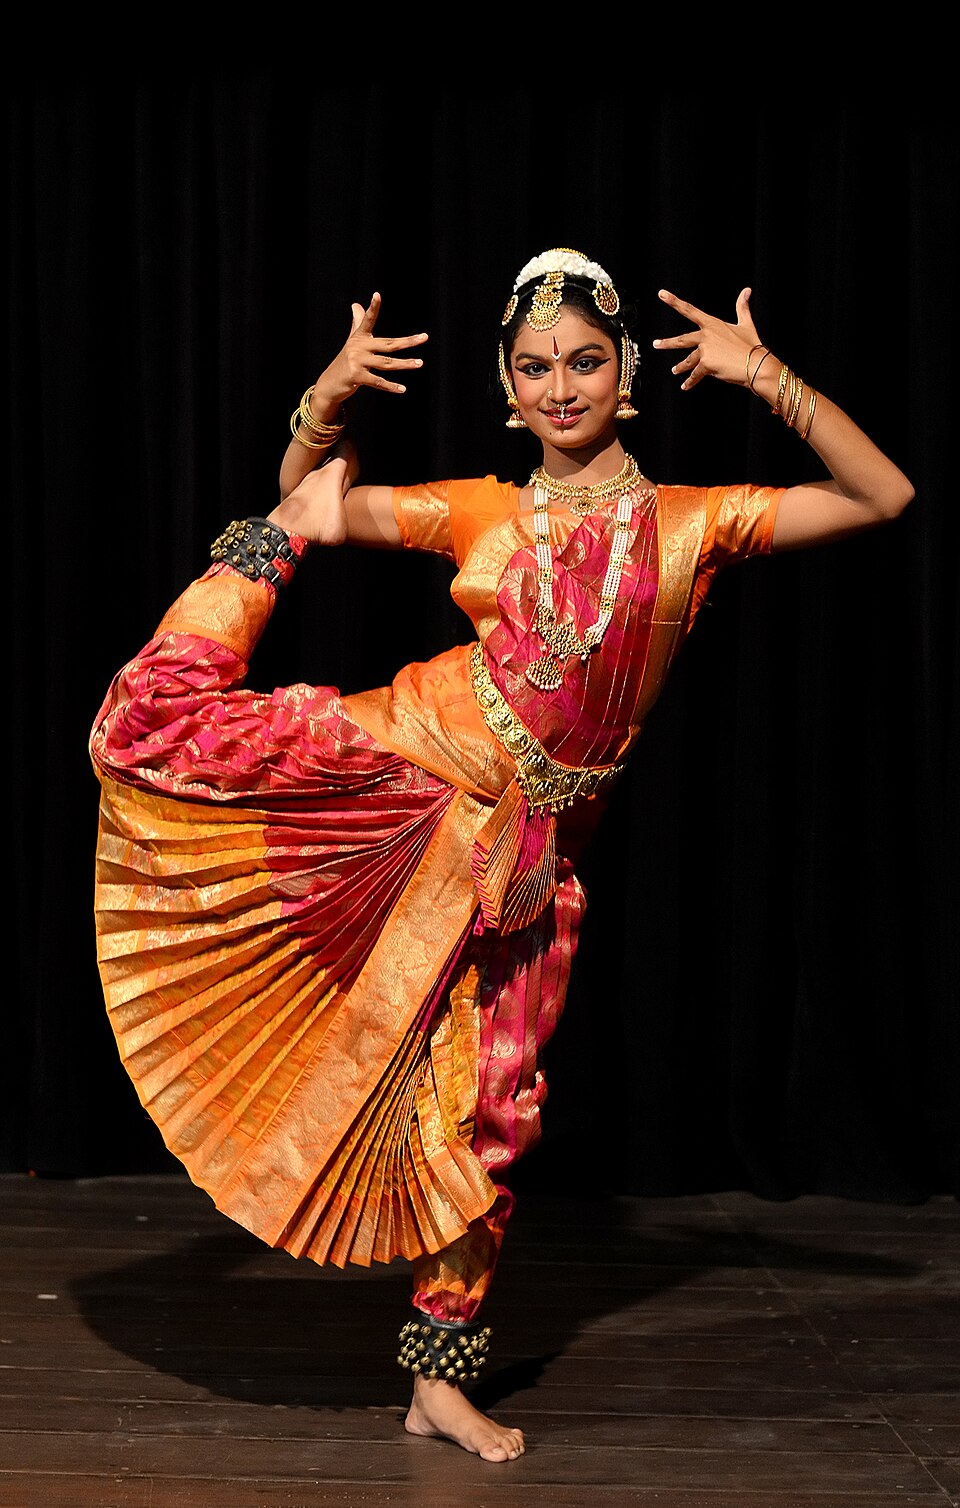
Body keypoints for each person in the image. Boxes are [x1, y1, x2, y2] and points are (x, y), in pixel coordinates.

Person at [89, 247, 913, 1463]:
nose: (561, 386)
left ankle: (438, 1375)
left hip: (520, 856)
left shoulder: (694, 522)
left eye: (585, 361)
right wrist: (323, 405)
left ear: (628, 374)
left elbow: (883, 493)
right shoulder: (483, 505)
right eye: (536, 367)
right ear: (507, 384)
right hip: (400, 763)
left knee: (492, 1112)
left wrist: (766, 377)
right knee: (165, 732)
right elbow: (309, 497)